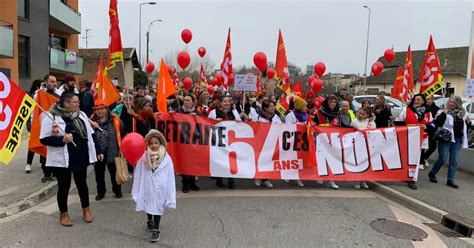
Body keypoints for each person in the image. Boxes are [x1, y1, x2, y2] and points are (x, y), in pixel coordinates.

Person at [40, 92, 103, 227]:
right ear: (66, 103)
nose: (78, 104)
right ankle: (64, 214)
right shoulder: (51, 117)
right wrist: (62, 139)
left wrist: (98, 151)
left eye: (78, 102)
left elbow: (91, 134)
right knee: (64, 186)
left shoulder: (81, 115)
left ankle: (86, 210)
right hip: (62, 159)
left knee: (82, 184)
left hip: (80, 156)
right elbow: (43, 139)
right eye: (75, 102)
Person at [132, 129, 176, 242]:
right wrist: (136, 188)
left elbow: (170, 176)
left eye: (156, 143)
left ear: (160, 143)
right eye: (151, 143)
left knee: (157, 206)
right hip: (148, 185)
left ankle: (156, 229)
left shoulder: (166, 158)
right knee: (148, 203)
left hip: (160, 187)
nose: (153, 145)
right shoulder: (144, 157)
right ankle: (149, 220)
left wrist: (170, 193)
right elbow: (138, 173)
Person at [429, 96, 471, 189]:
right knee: (442, 158)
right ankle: (432, 173)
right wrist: (444, 114)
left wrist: (468, 123)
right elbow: (438, 123)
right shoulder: (442, 111)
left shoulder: (463, 113)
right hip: (445, 138)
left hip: (457, 139)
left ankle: (450, 179)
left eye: (454, 102)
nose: (451, 103)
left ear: (458, 104)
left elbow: (464, 128)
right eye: (450, 101)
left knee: (454, 161)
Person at [396, 94, 433, 190]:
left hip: (422, 139)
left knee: (416, 160)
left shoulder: (428, 113)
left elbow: (432, 126)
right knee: (407, 158)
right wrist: (408, 128)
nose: (416, 101)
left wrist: (427, 127)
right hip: (409, 138)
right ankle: (406, 176)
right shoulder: (407, 110)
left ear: (423, 102)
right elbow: (398, 122)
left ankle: (412, 179)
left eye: (418, 100)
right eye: (415, 99)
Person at [90, 99, 123, 201]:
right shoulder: (90, 121)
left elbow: (122, 130)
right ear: (94, 111)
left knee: (114, 173)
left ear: (106, 109)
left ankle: (117, 191)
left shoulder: (115, 120)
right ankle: (101, 192)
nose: (100, 111)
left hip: (112, 150)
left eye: (102, 108)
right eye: (97, 109)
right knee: (99, 174)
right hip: (98, 152)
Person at [208, 94, 242, 189]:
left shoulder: (234, 112)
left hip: (231, 141)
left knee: (231, 160)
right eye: (225, 101)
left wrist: (238, 122)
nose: (227, 103)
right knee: (219, 159)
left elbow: (240, 124)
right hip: (218, 140)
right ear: (220, 103)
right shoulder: (214, 113)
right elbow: (207, 124)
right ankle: (219, 180)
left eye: (228, 101)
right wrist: (214, 121)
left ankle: (231, 180)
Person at [174, 93, 201, 193]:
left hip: (194, 142)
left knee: (192, 162)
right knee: (184, 162)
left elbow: (204, 124)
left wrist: (197, 117)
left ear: (193, 103)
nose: (185, 101)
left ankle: (192, 183)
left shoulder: (197, 112)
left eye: (188, 100)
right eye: (184, 99)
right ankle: (185, 184)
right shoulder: (178, 111)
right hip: (182, 142)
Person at [314, 95, 340, 189]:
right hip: (321, 138)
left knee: (332, 159)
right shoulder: (320, 112)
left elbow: (341, 125)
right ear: (327, 102)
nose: (332, 104)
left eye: (334, 102)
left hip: (333, 139)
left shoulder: (338, 113)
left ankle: (331, 180)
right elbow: (315, 124)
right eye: (331, 102)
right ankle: (320, 174)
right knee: (321, 158)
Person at [255, 98, 281, 188]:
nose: (273, 108)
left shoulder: (276, 117)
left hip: (272, 142)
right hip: (261, 142)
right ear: (265, 108)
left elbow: (281, 127)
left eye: (273, 106)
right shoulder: (259, 117)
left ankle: (266, 179)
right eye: (270, 106)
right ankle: (258, 176)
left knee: (268, 161)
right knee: (260, 160)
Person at [284, 97, 307, 187]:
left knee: (300, 160)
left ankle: (298, 178)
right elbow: (288, 128)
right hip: (292, 140)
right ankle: (288, 175)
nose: (306, 108)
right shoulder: (290, 116)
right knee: (291, 159)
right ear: (299, 107)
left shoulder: (306, 115)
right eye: (304, 106)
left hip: (302, 141)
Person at [350, 107, 376, 189]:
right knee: (358, 163)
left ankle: (364, 181)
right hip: (357, 145)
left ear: (367, 115)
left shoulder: (371, 123)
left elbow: (375, 132)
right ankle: (357, 181)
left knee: (366, 163)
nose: (361, 115)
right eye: (360, 113)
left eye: (363, 114)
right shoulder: (354, 121)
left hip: (367, 145)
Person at [25, 79, 44, 174]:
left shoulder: (43, 95)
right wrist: (29, 125)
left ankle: (42, 161)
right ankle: (28, 164)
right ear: (37, 87)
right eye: (42, 85)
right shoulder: (34, 95)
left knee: (43, 142)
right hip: (33, 124)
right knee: (32, 144)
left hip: (42, 124)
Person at [420, 95, 440, 166]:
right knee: (422, 146)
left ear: (432, 100)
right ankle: (421, 161)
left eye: (428, 99)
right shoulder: (421, 108)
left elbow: (438, 120)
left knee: (433, 146)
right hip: (423, 129)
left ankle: (425, 157)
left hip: (431, 130)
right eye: (426, 99)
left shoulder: (437, 109)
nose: (427, 100)